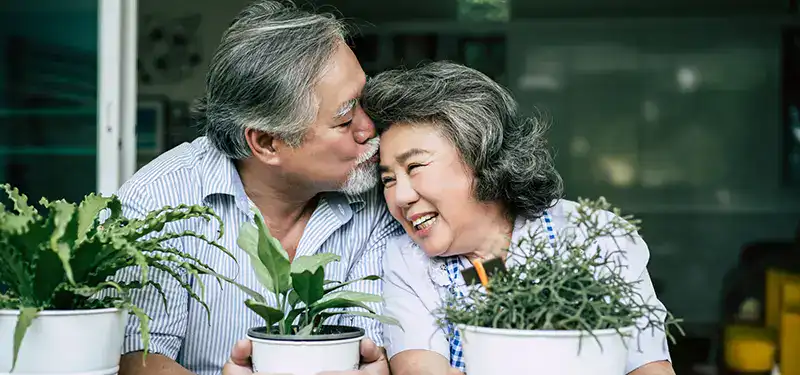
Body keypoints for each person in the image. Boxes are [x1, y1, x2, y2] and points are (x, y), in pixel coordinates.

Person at [113, 1, 402, 374]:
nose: (369, 128)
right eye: (345, 119)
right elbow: (138, 360)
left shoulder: (382, 194)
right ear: (266, 143)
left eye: (364, 100)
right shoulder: (153, 203)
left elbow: (376, 346)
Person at [359, 61, 677, 375]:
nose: (400, 196)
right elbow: (421, 368)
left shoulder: (597, 237)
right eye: (388, 179)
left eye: (415, 167)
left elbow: (649, 367)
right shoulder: (409, 262)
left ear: (482, 157)